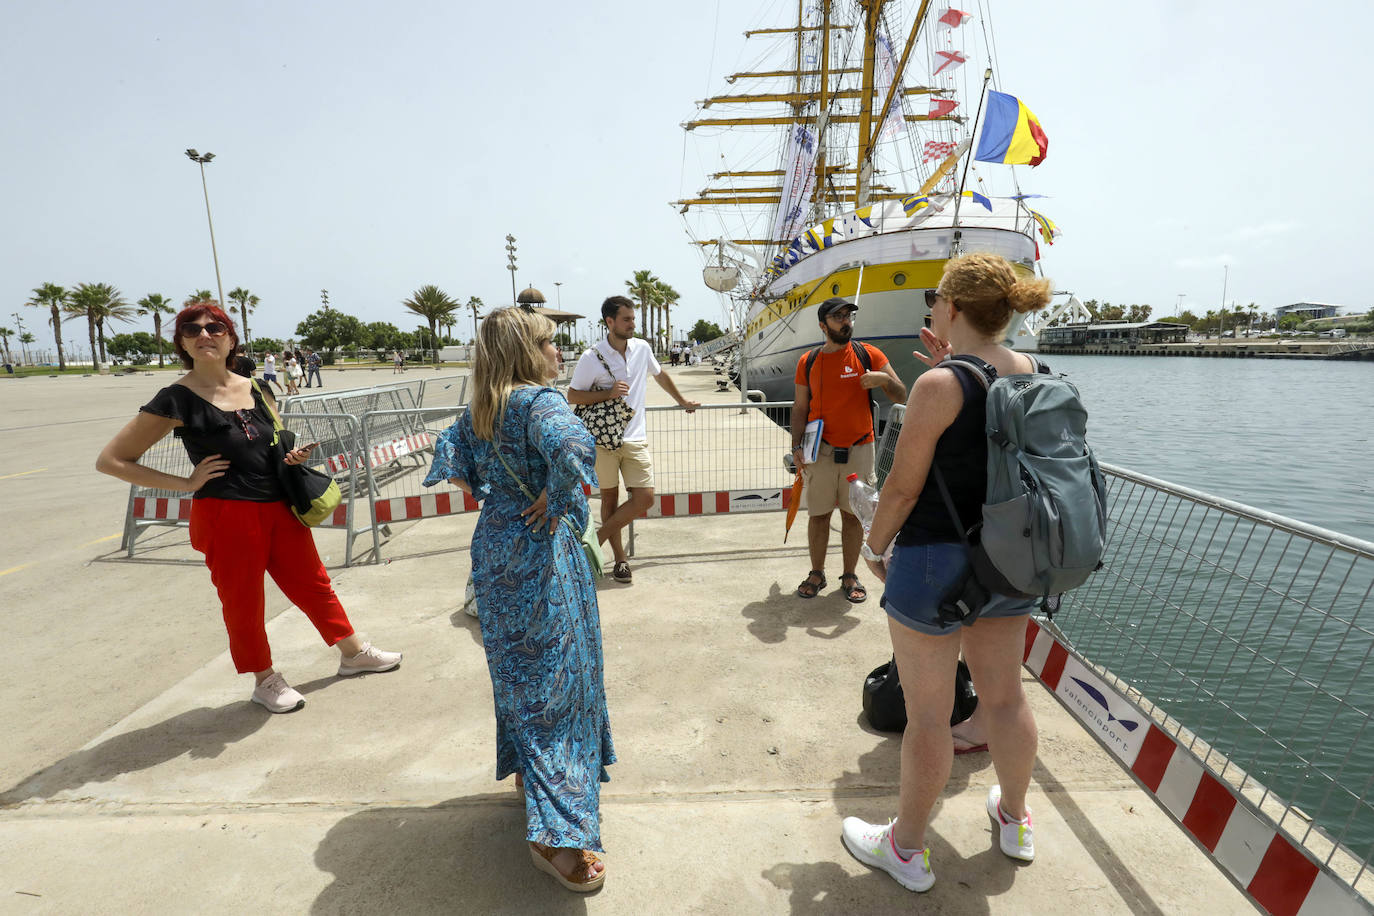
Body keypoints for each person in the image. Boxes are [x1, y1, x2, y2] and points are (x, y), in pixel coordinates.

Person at [841, 253, 1051, 892]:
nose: (931, 307)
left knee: (928, 716)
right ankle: (1014, 821)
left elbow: (902, 490)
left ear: (951, 308)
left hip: (935, 561)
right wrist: (946, 367)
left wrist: (875, 549)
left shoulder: (939, 387)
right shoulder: (1028, 371)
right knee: (1006, 698)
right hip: (1010, 562)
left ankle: (906, 849)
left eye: (936, 298)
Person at [95, 304, 402, 714]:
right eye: (192, 329)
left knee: (313, 584)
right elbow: (112, 460)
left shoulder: (253, 387)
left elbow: (273, 441)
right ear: (182, 342)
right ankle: (264, 679)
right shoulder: (176, 399)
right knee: (243, 601)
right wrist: (185, 484)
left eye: (214, 327)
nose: (204, 335)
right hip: (227, 515)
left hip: (277, 505)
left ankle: (352, 653)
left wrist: (290, 456)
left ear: (230, 338)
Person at [424, 306, 614, 892]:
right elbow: (575, 452)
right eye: (551, 344)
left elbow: (446, 455)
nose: (560, 352)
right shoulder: (540, 402)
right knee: (559, 684)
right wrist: (555, 500)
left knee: (518, 678)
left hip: (495, 545)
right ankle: (554, 835)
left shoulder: (481, 406)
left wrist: (497, 495)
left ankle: (533, 787)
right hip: (540, 551)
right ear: (528, 351)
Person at [567, 295, 700, 584]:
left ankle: (595, 539)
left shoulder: (642, 348)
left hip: (635, 436)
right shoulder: (591, 356)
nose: (632, 324)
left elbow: (660, 374)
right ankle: (620, 562)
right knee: (610, 500)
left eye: (633, 318)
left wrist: (682, 400)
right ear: (610, 322)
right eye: (626, 319)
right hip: (602, 440)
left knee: (645, 498)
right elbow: (573, 396)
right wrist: (608, 393)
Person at [790, 296, 906, 603]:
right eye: (838, 317)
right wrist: (796, 447)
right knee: (818, 516)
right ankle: (816, 573)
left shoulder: (869, 354)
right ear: (822, 325)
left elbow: (900, 393)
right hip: (821, 452)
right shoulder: (808, 361)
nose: (846, 321)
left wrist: (883, 379)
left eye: (848, 316)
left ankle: (850, 574)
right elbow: (800, 407)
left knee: (854, 516)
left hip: (860, 448)